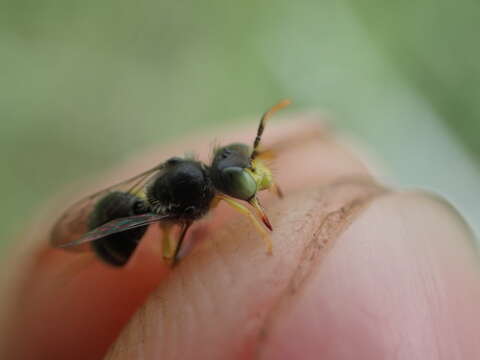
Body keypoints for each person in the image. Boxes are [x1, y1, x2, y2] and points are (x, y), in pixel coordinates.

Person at [1, 119, 479, 360]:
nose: (251, 173)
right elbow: (181, 229)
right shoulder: (194, 196)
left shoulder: (207, 181)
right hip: (115, 236)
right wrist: (257, 225)